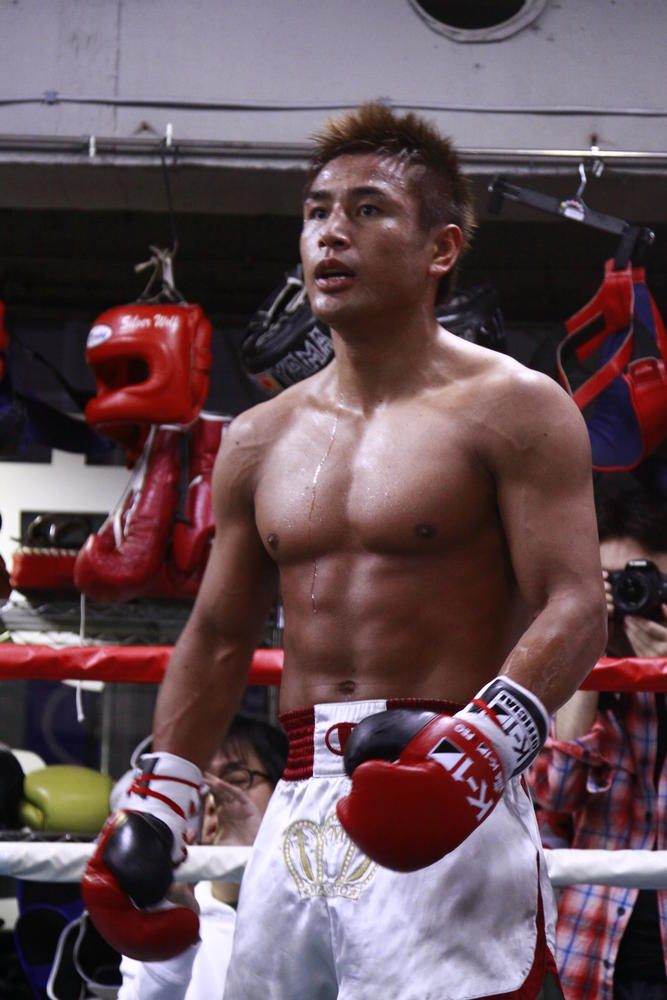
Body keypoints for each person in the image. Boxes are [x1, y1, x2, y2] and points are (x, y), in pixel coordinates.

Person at [82, 102, 607, 999]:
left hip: (447, 791)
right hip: (295, 806)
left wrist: (476, 751)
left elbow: (577, 605)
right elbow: (218, 635)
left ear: (440, 248)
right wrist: (162, 795)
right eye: (316, 211)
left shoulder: (514, 407)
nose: (331, 233)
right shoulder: (259, 436)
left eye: (368, 210)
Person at [529, 475, 667, 1000]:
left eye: (648, 584)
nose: (631, 599)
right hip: (592, 949)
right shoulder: (559, 679)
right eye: (613, 584)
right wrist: (591, 655)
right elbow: (555, 794)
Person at [117, 714, 288, 1000]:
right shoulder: (161, 912)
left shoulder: (319, 904)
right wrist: (173, 942)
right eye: (200, 787)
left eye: (236, 779)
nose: (214, 800)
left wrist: (259, 864)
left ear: (285, 791)